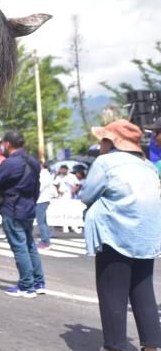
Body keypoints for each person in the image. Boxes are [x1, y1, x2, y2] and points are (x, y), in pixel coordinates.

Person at [79, 120, 161, 351]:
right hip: (146, 236)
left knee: (112, 293)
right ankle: (152, 346)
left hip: (115, 232)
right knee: (143, 291)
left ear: (111, 141)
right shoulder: (147, 165)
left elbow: (87, 195)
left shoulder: (106, 162)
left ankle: (116, 346)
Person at [0, 130, 46, 298]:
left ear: (7, 144)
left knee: (20, 248)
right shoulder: (33, 161)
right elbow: (37, 186)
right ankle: (39, 282)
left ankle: (26, 286)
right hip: (29, 207)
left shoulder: (10, 163)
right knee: (30, 245)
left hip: (12, 208)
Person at [36, 162, 56, 250]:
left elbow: (40, 187)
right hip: (42, 199)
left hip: (41, 200)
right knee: (43, 221)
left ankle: (45, 242)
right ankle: (46, 240)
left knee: (41, 222)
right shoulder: (44, 174)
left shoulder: (44, 174)